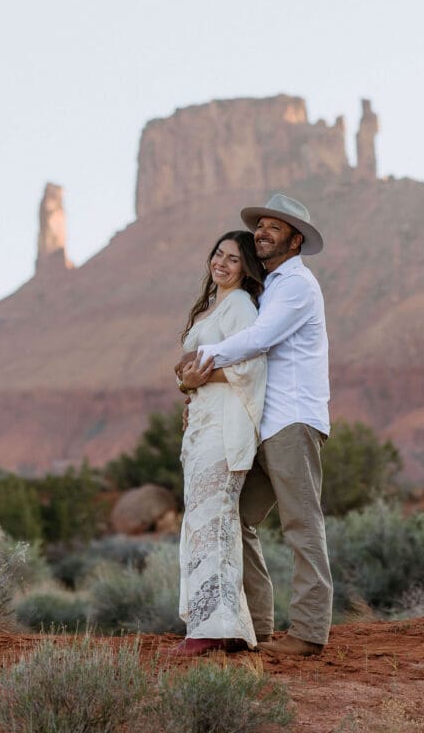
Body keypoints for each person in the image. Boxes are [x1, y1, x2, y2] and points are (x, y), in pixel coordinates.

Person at [177, 193, 332, 658]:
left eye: (274, 227)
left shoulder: (297, 286)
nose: (263, 232)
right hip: (261, 423)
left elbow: (260, 340)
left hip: (292, 420)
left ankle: (308, 632)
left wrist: (199, 365)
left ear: (296, 239)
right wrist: (198, 386)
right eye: (260, 225)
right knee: (238, 517)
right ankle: (257, 624)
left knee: (302, 523)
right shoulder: (274, 287)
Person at [172, 230, 268, 657]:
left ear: (247, 267)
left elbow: (250, 367)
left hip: (226, 427)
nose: (222, 263)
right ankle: (222, 624)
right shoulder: (213, 309)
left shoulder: (242, 307)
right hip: (203, 424)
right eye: (218, 254)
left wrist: (196, 378)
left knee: (214, 519)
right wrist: (188, 387)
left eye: (234, 258)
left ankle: (209, 630)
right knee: (205, 520)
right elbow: (188, 369)